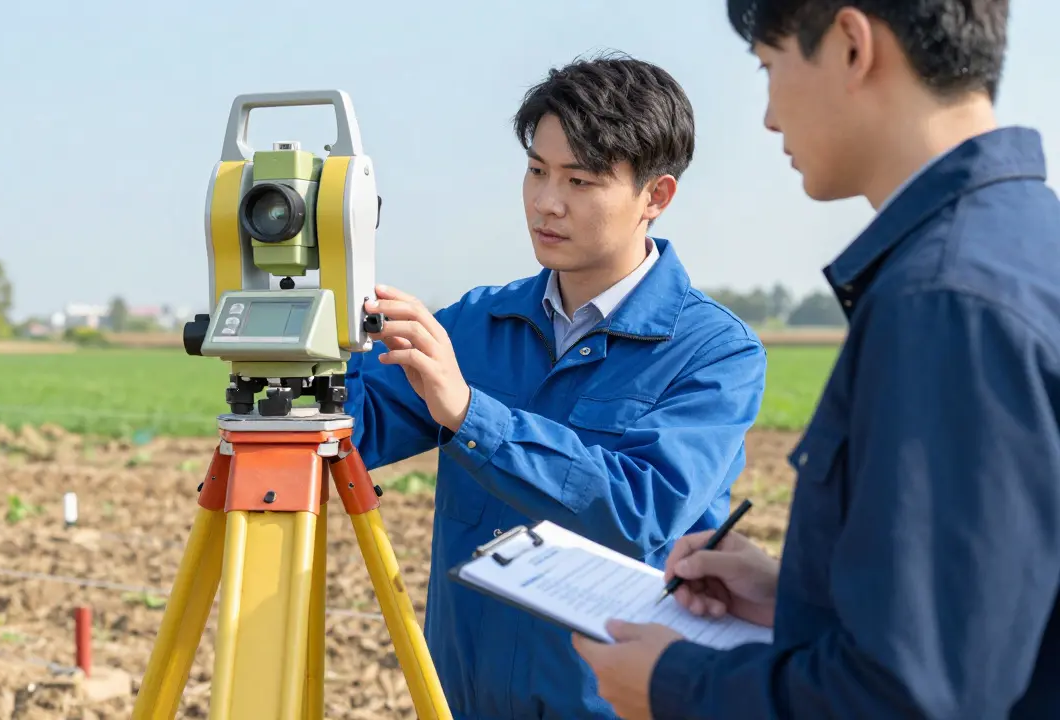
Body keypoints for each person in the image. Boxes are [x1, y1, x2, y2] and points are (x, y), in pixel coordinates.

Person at [572, 2, 1060, 718]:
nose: (769, 117)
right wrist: (800, 599)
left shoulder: (943, 300)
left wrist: (674, 685)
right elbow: (991, 616)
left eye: (771, 68)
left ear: (852, 45)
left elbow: (914, 699)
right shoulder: (1025, 245)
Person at [344, 53, 767, 718]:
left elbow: (641, 510)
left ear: (655, 196)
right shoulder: (476, 324)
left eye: (580, 180)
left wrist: (471, 414)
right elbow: (351, 430)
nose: (547, 201)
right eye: (537, 170)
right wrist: (308, 344)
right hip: (463, 703)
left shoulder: (714, 353)